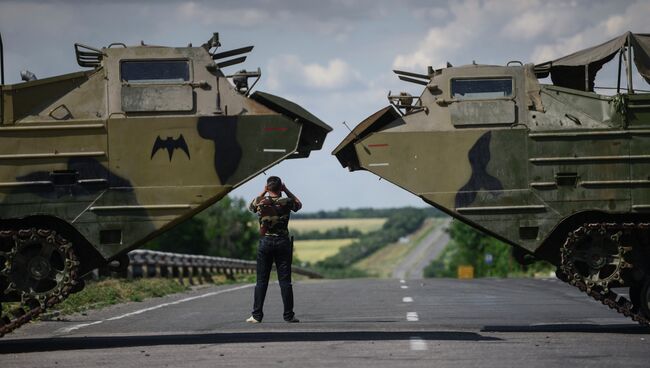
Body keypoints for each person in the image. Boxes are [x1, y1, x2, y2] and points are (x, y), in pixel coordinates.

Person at [246, 176, 302, 323]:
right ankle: (289, 315)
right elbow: (298, 204)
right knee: (285, 281)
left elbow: (251, 207)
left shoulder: (260, 201)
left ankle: (257, 315)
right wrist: (286, 190)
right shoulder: (287, 202)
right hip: (283, 243)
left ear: (267, 187)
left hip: (265, 242)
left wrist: (263, 192)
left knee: (261, 281)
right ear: (280, 187)